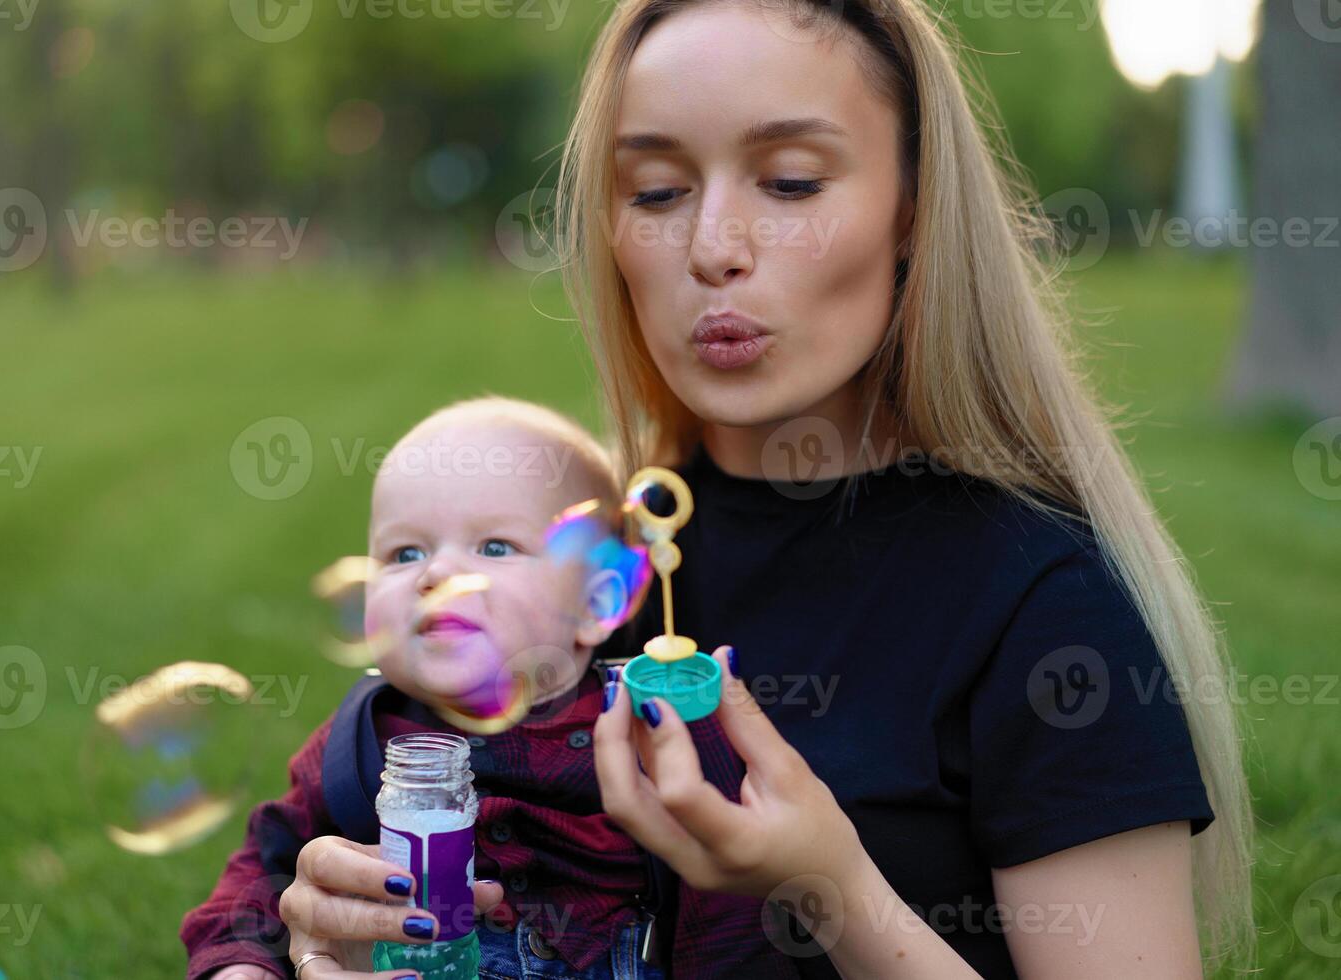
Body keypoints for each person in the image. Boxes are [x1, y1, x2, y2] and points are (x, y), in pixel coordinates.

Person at [559, 0, 1255, 976]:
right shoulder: (581, 572)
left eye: (791, 181)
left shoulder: (1043, 604)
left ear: (914, 210)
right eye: (658, 190)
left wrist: (834, 890)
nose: (712, 244)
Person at [181, 395, 803, 979]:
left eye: (496, 546)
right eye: (403, 553)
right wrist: (243, 964)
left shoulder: (647, 728)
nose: (438, 572)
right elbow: (269, 866)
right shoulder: (361, 744)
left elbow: (729, 912)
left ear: (595, 601)